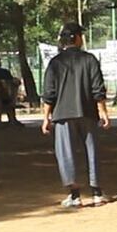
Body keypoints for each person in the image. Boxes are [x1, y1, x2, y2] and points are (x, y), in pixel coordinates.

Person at [42, 22, 111, 207]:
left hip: (63, 115)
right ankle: (97, 193)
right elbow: (98, 89)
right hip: (87, 112)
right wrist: (103, 112)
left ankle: (74, 195)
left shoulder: (55, 63)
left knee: (66, 154)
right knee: (92, 151)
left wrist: (45, 118)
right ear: (77, 38)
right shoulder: (89, 60)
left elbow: (49, 93)